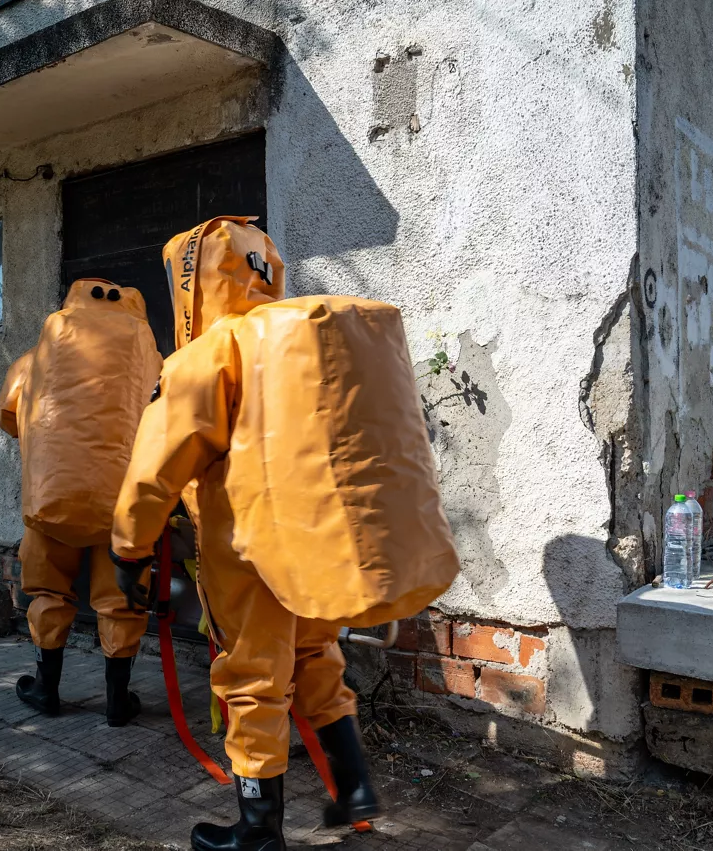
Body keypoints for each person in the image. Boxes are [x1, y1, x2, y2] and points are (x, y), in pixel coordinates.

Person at [111, 218, 460, 850]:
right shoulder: (290, 338)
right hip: (314, 547)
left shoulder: (210, 353)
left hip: (247, 552)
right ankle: (354, 790)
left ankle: (257, 829)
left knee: (251, 679)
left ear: (190, 280)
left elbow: (156, 468)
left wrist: (127, 549)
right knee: (317, 662)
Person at [0, 278, 162, 727]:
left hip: (52, 499)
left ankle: (46, 689)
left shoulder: (33, 361)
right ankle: (116, 700)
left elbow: (8, 418)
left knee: (49, 590)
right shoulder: (156, 363)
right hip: (123, 506)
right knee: (119, 600)